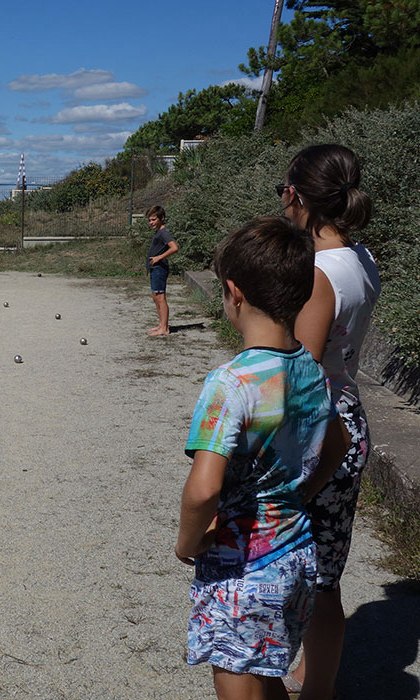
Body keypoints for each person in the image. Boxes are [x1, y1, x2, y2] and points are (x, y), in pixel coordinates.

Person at [176, 217, 346, 700]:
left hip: (243, 568)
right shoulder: (311, 369)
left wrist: (188, 541)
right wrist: (299, 497)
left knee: (237, 679)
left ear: (233, 292)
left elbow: (204, 488)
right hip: (296, 555)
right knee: (267, 672)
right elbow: (338, 445)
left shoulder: (232, 384)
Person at [279, 144, 380, 700]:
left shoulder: (319, 272)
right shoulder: (361, 259)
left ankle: (314, 688)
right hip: (352, 418)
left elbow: (305, 371)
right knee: (326, 576)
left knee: (313, 582)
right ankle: (309, 676)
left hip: (322, 433)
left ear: (296, 195)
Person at [145, 205, 179, 336]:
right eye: (149, 220)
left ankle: (164, 328)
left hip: (160, 268)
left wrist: (159, 257)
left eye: (153, 219)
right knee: (156, 297)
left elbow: (174, 248)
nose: (151, 223)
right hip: (155, 268)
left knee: (160, 297)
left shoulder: (164, 232)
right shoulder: (158, 232)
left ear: (162, 218)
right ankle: (161, 324)